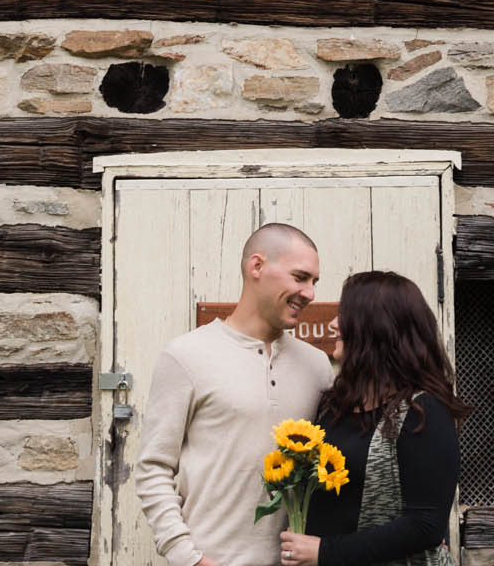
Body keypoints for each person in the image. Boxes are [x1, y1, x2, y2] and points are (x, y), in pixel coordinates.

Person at [137, 222, 336, 566]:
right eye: (300, 277)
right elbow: (154, 468)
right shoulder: (186, 356)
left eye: (314, 282)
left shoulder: (318, 366)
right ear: (256, 266)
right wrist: (189, 558)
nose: (310, 293)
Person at [278, 270, 464, 566]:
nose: (333, 324)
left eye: (344, 315)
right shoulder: (334, 406)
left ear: (375, 328)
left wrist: (326, 552)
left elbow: (425, 525)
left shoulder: (422, 413)